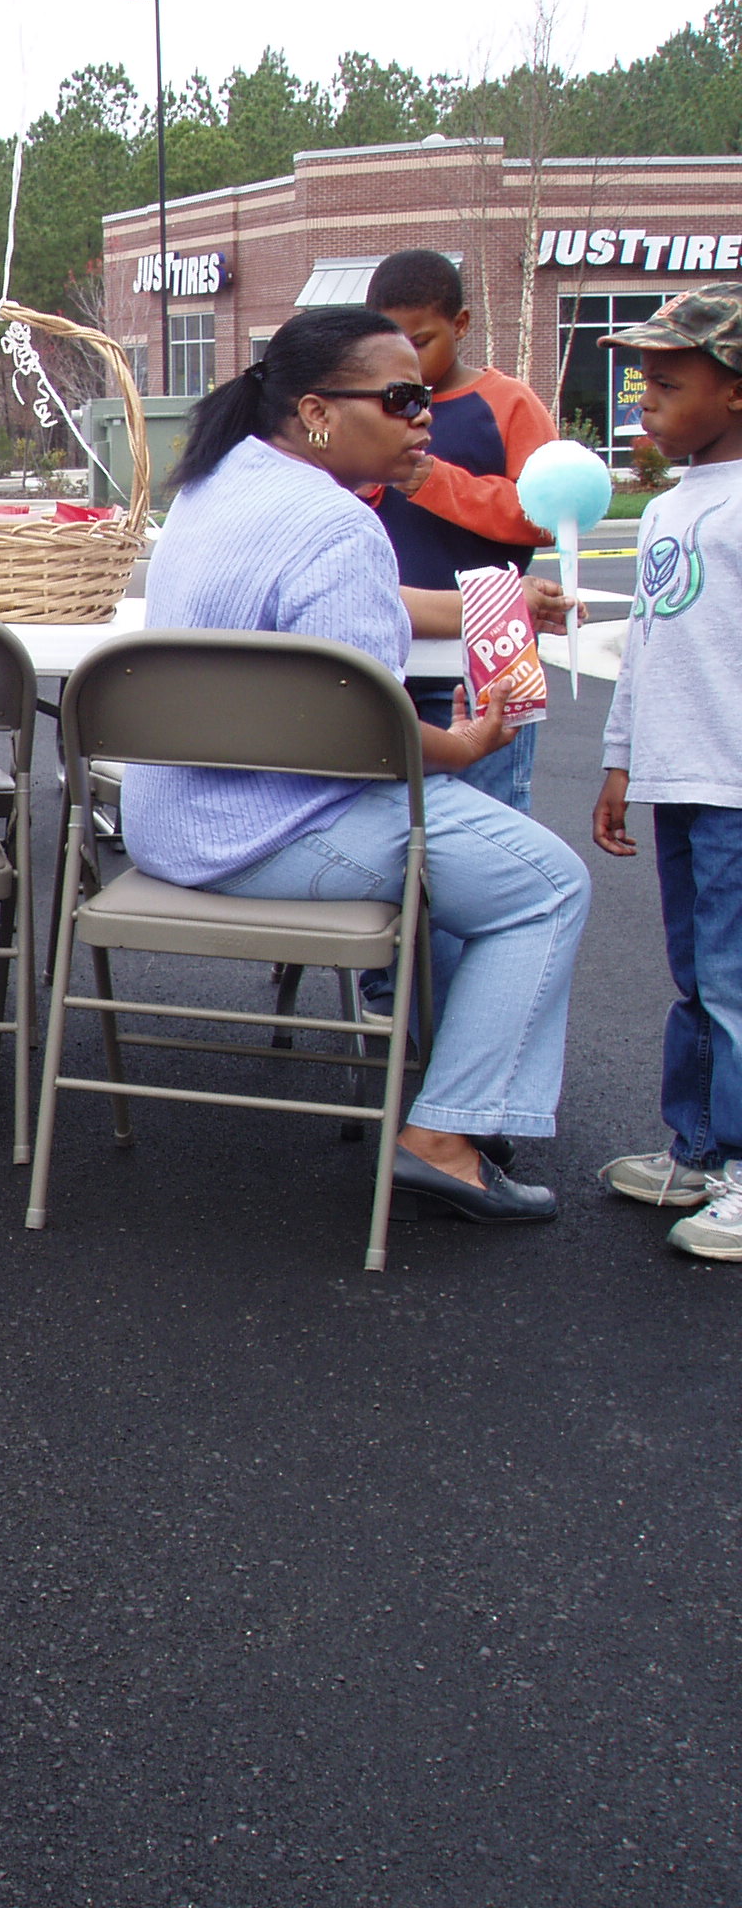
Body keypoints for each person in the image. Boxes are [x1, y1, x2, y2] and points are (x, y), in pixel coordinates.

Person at [119, 305, 592, 1225]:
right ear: (318, 412)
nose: (425, 415)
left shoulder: (219, 482)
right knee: (546, 885)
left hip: (173, 819)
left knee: (501, 873)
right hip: (270, 829)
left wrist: (495, 604)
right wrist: (465, 745)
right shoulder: (338, 525)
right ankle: (445, 1136)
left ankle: (460, 1099)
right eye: (402, 397)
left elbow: (349, 603)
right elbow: (366, 736)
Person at [591, 283, 742, 1258]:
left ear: (735, 391)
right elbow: (644, 652)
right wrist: (619, 761)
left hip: (734, 785)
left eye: (669, 383)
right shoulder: (669, 507)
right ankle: (698, 1149)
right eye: (643, 381)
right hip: (681, 778)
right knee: (698, 976)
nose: (645, 399)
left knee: (734, 983)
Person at [365, 248, 563, 814]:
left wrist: (435, 482)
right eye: (389, 342)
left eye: (421, 341)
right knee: (395, 821)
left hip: (492, 654)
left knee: (488, 816)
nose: (404, 358)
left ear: (461, 325)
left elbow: (546, 518)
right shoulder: (368, 407)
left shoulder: (509, 403)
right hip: (389, 652)